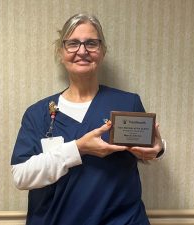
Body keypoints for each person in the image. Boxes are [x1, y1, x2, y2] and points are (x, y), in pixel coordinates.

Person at [11, 13, 165, 225]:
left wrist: (158, 149)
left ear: (102, 51)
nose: (82, 51)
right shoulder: (38, 113)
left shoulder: (127, 103)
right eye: (73, 43)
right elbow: (21, 176)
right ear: (61, 52)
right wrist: (78, 149)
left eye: (91, 43)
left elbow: (146, 150)